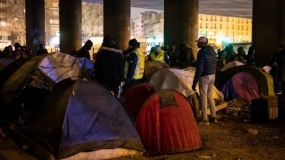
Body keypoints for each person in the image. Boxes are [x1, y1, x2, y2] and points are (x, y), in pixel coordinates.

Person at [192, 36, 217, 125]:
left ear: (203, 43)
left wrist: (195, 82)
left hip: (204, 76)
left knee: (203, 96)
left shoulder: (201, 52)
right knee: (210, 95)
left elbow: (199, 68)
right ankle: (214, 117)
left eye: (198, 42)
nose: (197, 44)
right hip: (212, 75)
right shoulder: (213, 51)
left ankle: (204, 119)